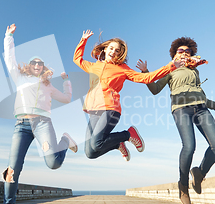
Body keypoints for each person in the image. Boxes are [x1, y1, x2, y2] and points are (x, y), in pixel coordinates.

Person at [0, 24, 77, 204]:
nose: (37, 65)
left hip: (42, 123)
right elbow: (9, 59)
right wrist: (9, 36)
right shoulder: (19, 77)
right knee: (13, 169)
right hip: (21, 124)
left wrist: (67, 82)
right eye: (34, 62)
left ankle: (65, 140)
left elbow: (67, 99)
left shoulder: (48, 86)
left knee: (53, 163)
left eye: (41, 63)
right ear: (29, 65)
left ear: (43, 68)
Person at [136, 37, 215, 204]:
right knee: (189, 146)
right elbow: (155, 90)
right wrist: (145, 72)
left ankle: (199, 172)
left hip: (201, 109)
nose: (185, 53)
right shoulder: (170, 70)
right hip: (181, 109)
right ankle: (183, 186)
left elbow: (200, 95)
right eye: (181, 51)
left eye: (188, 51)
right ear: (174, 54)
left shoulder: (195, 70)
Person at [73, 30, 182, 162]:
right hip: (93, 110)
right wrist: (83, 40)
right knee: (91, 153)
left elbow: (146, 78)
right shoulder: (94, 66)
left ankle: (129, 134)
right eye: (111, 48)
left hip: (110, 109)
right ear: (105, 48)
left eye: (117, 51)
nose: (113, 52)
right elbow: (77, 59)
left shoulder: (122, 69)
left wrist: (170, 66)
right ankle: (117, 144)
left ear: (120, 54)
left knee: (96, 143)